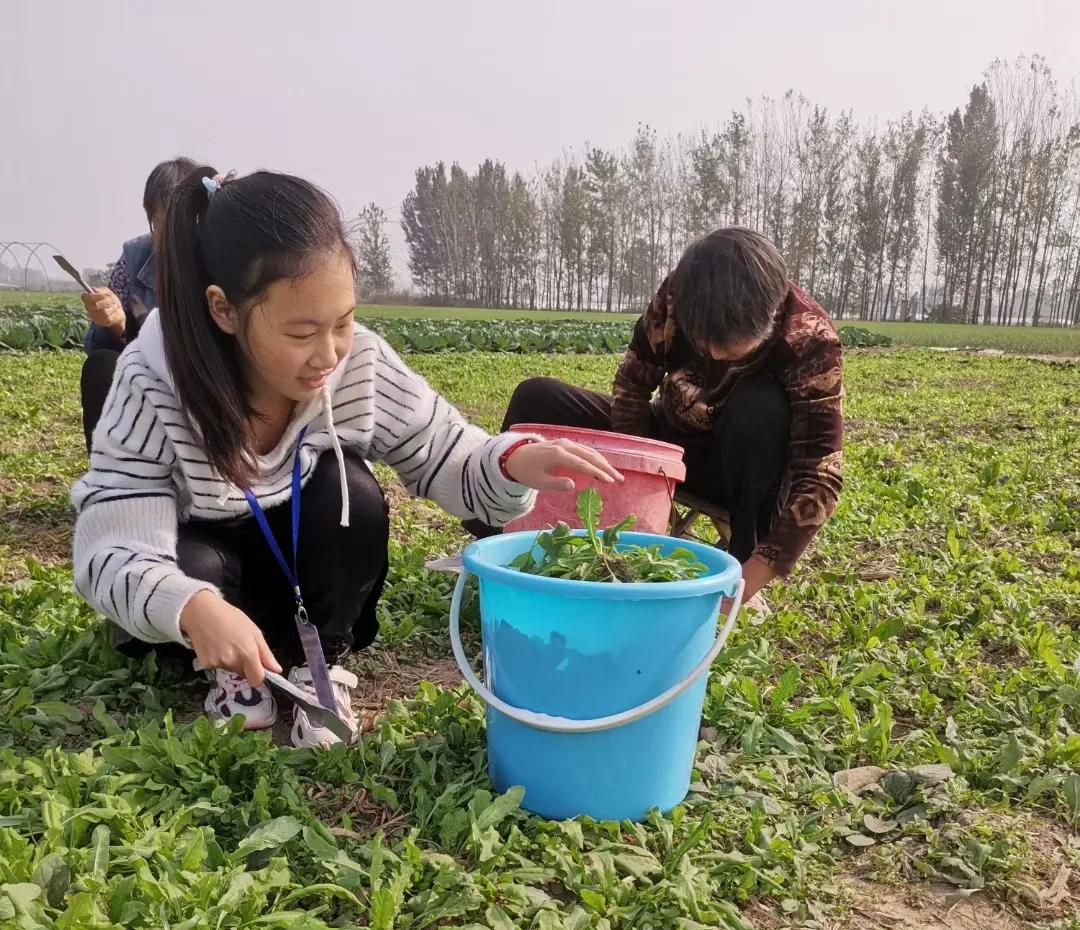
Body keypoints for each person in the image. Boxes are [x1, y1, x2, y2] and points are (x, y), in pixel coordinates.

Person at [71, 167, 619, 749]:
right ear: (224, 310)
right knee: (198, 564)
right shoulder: (153, 382)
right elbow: (110, 548)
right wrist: (190, 605)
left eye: (343, 322)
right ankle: (229, 671)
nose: (329, 353)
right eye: (302, 332)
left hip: (298, 591)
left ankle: (320, 663)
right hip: (205, 594)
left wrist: (509, 463)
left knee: (351, 493)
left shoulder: (359, 364)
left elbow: (445, 449)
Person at [501, 228, 844, 606]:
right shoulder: (681, 292)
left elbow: (820, 476)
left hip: (743, 467)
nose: (711, 356)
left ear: (771, 314)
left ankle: (735, 564)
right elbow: (633, 383)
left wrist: (745, 584)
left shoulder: (811, 340)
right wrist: (632, 472)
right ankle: (501, 549)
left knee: (759, 410)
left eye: (728, 353)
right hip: (668, 443)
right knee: (536, 398)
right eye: (702, 344)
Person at [80, 157, 206, 450]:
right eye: (161, 224)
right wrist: (113, 326)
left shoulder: (220, 258)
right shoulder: (134, 259)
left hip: (202, 382)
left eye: (180, 225)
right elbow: (97, 345)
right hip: (146, 377)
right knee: (100, 365)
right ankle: (110, 479)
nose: (171, 238)